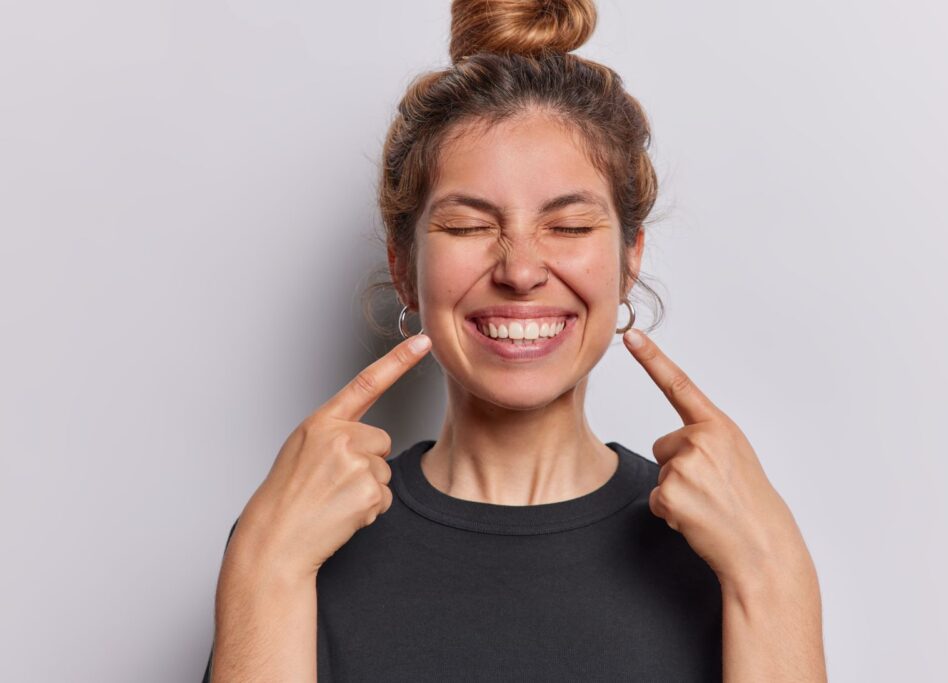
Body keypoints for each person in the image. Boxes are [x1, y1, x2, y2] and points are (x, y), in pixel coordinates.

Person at [201, 1, 827, 680]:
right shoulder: (297, 538)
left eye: (570, 226)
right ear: (403, 266)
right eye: (468, 226)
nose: (521, 270)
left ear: (630, 259)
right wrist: (265, 566)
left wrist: (773, 576)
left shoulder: (734, 546)